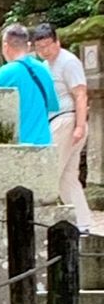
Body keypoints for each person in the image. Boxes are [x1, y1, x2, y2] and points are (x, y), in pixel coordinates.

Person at [32, 21, 92, 232]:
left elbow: (80, 93)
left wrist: (79, 125)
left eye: (48, 45)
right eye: (39, 48)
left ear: (57, 42)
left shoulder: (68, 62)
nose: (44, 51)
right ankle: (82, 223)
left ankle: (43, 222)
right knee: (67, 177)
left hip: (67, 120)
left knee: (50, 172)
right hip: (60, 120)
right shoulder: (47, 65)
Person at [0, 23, 58, 145]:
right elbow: (52, 105)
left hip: (19, 144)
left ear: (5, 46)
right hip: (44, 143)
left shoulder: (6, 71)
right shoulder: (44, 70)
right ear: (28, 46)